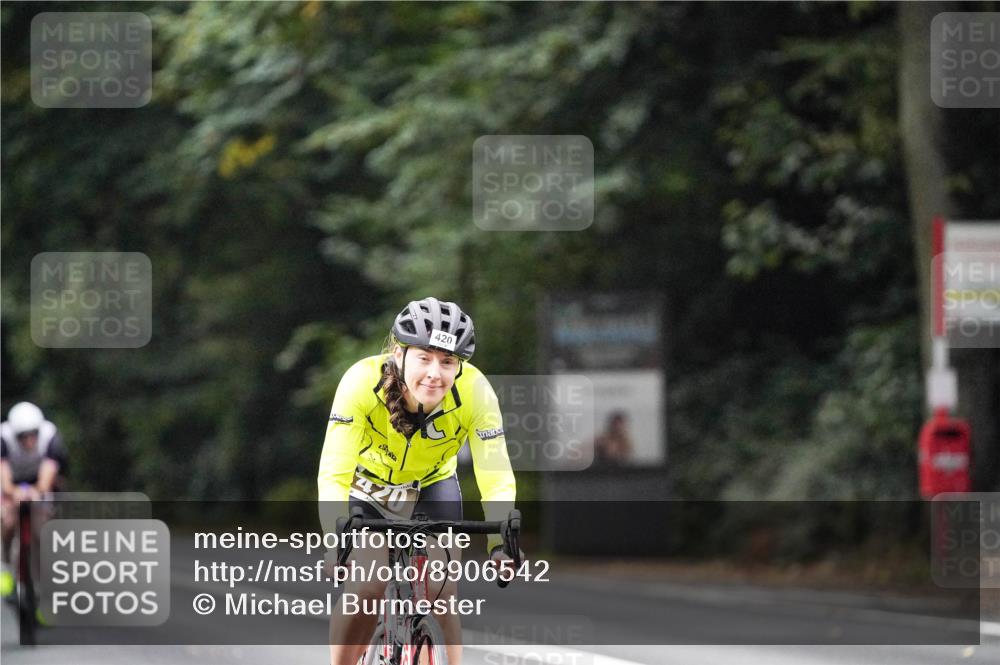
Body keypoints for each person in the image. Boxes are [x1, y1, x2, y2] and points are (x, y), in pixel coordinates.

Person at [318, 297, 516, 665]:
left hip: (432, 485)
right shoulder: (361, 382)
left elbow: (496, 472)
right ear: (399, 353)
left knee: (443, 594)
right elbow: (334, 469)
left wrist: (499, 543)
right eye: (424, 358)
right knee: (367, 587)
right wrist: (335, 539)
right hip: (370, 487)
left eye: (448, 362)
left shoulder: (475, 391)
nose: (435, 373)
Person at [1, 402, 67, 599]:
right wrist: (14, 493)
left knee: (43, 529)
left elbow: (46, 481)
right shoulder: (3, 438)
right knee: (8, 520)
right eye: (23, 436)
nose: (29, 441)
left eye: (33, 434)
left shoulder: (50, 437)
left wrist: (36, 492)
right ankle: (5, 567)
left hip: (39, 482)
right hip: (11, 483)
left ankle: (42, 584)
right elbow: (5, 482)